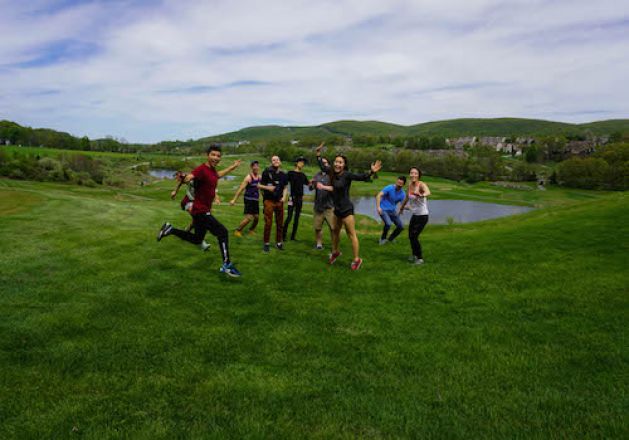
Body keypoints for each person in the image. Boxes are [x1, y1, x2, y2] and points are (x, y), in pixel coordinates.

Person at [157, 145, 243, 277]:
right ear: (207, 155)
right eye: (213, 155)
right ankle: (227, 264)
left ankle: (170, 230)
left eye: (218, 156)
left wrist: (233, 167)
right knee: (223, 232)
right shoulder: (202, 169)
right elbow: (190, 177)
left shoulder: (212, 171)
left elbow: (218, 175)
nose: (216, 157)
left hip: (200, 211)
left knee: (197, 239)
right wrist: (185, 177)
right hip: (201, 211)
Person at [315, 143, 382, 270]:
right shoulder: (332, 172)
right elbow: (322, 167)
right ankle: (335, 252)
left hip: (346, 210)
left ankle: (357, 259)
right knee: (335, 232)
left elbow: (361, 177)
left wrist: (371, 172)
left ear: (344, 165)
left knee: (351, 234)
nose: (337, 164)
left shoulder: (347, 175)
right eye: (336, 162)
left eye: (340, 162)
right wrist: (318, 154)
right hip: (337, 209)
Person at [170, 170, 210, 251]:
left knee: (196, 221)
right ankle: (201, 243)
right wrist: (175, 191)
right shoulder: (187, 177)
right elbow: (180, 182)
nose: (177, 179)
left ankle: (185, 233)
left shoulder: (200, 180)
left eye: (177, 177)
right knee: (199, 219)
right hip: (187, 202)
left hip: (196, 202)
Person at [399, 167, 430, 265]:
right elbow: (407, 198)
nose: (413, 175)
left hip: (423, 216)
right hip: (415, 215)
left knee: (414, 236)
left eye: (415, 173)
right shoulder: (409, 185)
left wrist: (422, 195)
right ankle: (414, 255)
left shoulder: (421, 185)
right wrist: (401, 208)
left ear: (418, 175)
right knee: (410, 236)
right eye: (411, 173)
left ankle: (420, 258)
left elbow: (428, 192)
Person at [258, 155, 288, 253]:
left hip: (279, 201)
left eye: (277, 160)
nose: (275, 161)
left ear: (280, 161)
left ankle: (278, 242)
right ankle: (266, 243)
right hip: (269, 201)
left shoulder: (283, 174)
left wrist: (284, 197)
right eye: (273, 160)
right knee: (268, 222)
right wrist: (268, 189)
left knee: (280, 223)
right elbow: (259, 185)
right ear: (271, 162)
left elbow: (285, 188)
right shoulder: (266, 172)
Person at [230, 160, 261, 237]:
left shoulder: (259, 177)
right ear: (251, 167)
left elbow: (261, 188)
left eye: (257, 166)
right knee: (249, 217)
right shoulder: (248, 177)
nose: (256, 167)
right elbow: (240, 189)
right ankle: (238, 230)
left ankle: (251, 230)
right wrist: (234, 199)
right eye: (254, 166)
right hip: (248, 199)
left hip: (255, 200)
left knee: (256, 217)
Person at [282, 156, 310, 241]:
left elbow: (308, 184)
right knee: (289, 217)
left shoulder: (303, 175)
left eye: (303, 163)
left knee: (297, 218)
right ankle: (283, 235)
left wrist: (314, 182)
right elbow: (284, 183)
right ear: (296, 163)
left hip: (300, 199)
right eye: (301, 162)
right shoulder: (290, 173)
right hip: (292, 198)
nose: (302, 164)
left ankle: (293, 237)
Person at [310, 156, 335, 250]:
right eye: (322, 163)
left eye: (325, 163)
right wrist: (311, 184)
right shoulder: (317, 175)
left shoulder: (332, 175)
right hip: (318, 206)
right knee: (317, 228)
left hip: (329, 206)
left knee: (333, 228)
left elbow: (336, 189)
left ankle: (334, 246)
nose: (323, 165)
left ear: (328, 164)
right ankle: (319, 245)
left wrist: (324, 187)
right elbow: (311, 188)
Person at [376, 176, 406, 245]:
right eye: (398, 183)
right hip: (383, 209)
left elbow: (402, 205)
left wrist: (410, 207)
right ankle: (383, 239)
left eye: (400, 184)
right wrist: (378, 207)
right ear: (396, 181)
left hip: (392, 211)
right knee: (388, 224)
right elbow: (378, 195)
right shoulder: (389, 188)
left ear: (403, 185)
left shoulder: (402, 193)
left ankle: (390, 239)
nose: (398, 185)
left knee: (401, 227)